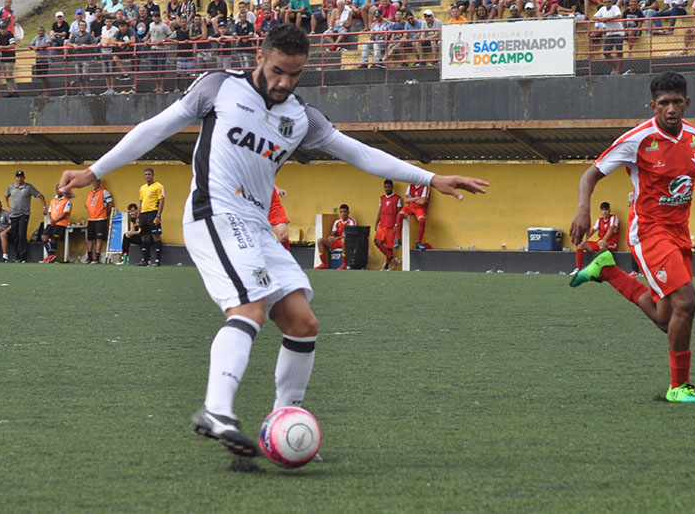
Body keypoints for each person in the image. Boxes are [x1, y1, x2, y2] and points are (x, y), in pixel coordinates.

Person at [56, 23, 487, 458]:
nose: (284, 82)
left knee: (303, 323)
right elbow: (155, 128)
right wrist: (94, 171)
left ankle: (282, 424)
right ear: (261, 56)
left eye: (295, 74)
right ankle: (216, 410)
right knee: (249, 308)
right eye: (279, 70)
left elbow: (360, 153)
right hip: (214, 213)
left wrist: (431, 177)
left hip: (256, 226)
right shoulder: (219, 88)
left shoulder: (301, 117)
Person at [569, 71, 695, 403]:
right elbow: (591, 173)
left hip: (679, 233)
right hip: (649, 232)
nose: (671, 108)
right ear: (653, 105)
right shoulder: (639, 139)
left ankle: (607, 270)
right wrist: (583, 210)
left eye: (677, 102)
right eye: (663, 103)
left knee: (666, 317)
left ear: (686, 103)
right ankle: (679, 387)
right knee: (686, 303)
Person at [5, 170, 47, 263]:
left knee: (21, 235)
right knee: (15, 235)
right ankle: (17, 256)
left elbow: (40, 196)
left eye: (21, 177)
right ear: (15, 177)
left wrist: (44, 207)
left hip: (24, 214)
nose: (19, 178)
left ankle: (23, 256)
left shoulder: (28, 187)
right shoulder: (11, 187)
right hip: (13, 215)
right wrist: (7, 206)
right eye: (18, 177)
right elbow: (6, 196)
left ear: (24, 177)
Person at [571, 201, 618, 275]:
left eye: (606, 210)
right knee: (580, 244)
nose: (604, 212)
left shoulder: (614, 218)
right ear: (600, 211)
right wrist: (584, 239)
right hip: (600, 242)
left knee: (601, 244)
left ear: (609, 210)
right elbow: (593, 230)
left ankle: (601, 270)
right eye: (603, 210)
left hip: (611, 243)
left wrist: (604, 240)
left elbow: (611, 229)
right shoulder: (599, 220)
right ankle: (578, 269)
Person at [138, 167, 165, 266]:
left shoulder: (159, 186)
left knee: (156, 236)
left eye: (149, 174)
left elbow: (161, 201)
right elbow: (140, 202)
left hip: (153, 213)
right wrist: (138, 216)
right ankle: (146, 260)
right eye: (145, 174)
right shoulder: (142, 188)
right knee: (144, 237)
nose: (147, 176)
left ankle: (157, 260)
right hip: (144, 214)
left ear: (153, 175)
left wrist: (158, 215)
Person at [316, 204, 356, 269]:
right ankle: (324, 263)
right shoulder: (337, 222)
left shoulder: (352, 222)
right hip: (338, 242)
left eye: (345, 212)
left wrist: (337, 238)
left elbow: (350, 236)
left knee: (344, 240)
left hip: (347, 242)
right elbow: (333, 233)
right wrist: (331, 237)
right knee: (320, 241)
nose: (343, 214)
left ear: (348, 212)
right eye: (341, 212)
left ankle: (344, 263)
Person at [374, 179, 402, 270]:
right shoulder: (382, 198)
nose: (387, 188)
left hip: (391, 225)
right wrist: (376, 222)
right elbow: (380, 211)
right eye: (386, 187)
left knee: (389, 247)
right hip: (382, 225)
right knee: (377, 242)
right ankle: (392, 258)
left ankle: (387, 265)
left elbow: (398, 213)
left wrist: (396, 225)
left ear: (392, 187)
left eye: (389, 187)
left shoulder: (397, 198)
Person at [85, 179, 113, 264]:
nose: (95, 183)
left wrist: (106, 215)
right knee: (89, 239)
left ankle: (96, 257)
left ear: (99, 182)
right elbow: (87, 205)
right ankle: (89, 257)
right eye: (93, 181)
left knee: (99, 239)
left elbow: (110, 204)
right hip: (91, 219)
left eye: (97, 181)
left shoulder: (104, 192)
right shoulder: (90, 193)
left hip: (101, 219)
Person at [41, 185, 72, 263]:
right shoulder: (53, 200)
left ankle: (51, 257)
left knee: (54, 240)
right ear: (56, 190)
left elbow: (65, 214)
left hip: (60, 223)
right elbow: (50, 212)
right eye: (58, 189)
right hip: (52, 222)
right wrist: (51, 220)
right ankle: (51, 255)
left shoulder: (67, 201)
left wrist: (56, 221)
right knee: (44, 237)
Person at [394, 183, 429, 249]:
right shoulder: (410, 186)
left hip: (419, 208)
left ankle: (418, 242)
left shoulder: (425, 187)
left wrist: (411, 199)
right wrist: (418, 198)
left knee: (422, 220)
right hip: (410, 207)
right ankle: (398, 239)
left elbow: (422, 202)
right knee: (400, 215)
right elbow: (406, 200)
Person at [29, 25, 52, 96]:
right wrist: (33, 47)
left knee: (45, 76)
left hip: (45, 59)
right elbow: (30, 45)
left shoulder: (47, 37)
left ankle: (47, 91)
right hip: (38, 59)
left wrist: (38, 47)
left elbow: (48, 44)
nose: (40, 32)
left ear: (44, 31)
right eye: (39, 31)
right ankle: (45, 91)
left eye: (42, 31)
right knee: (41, 77)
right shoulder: (36, 38)